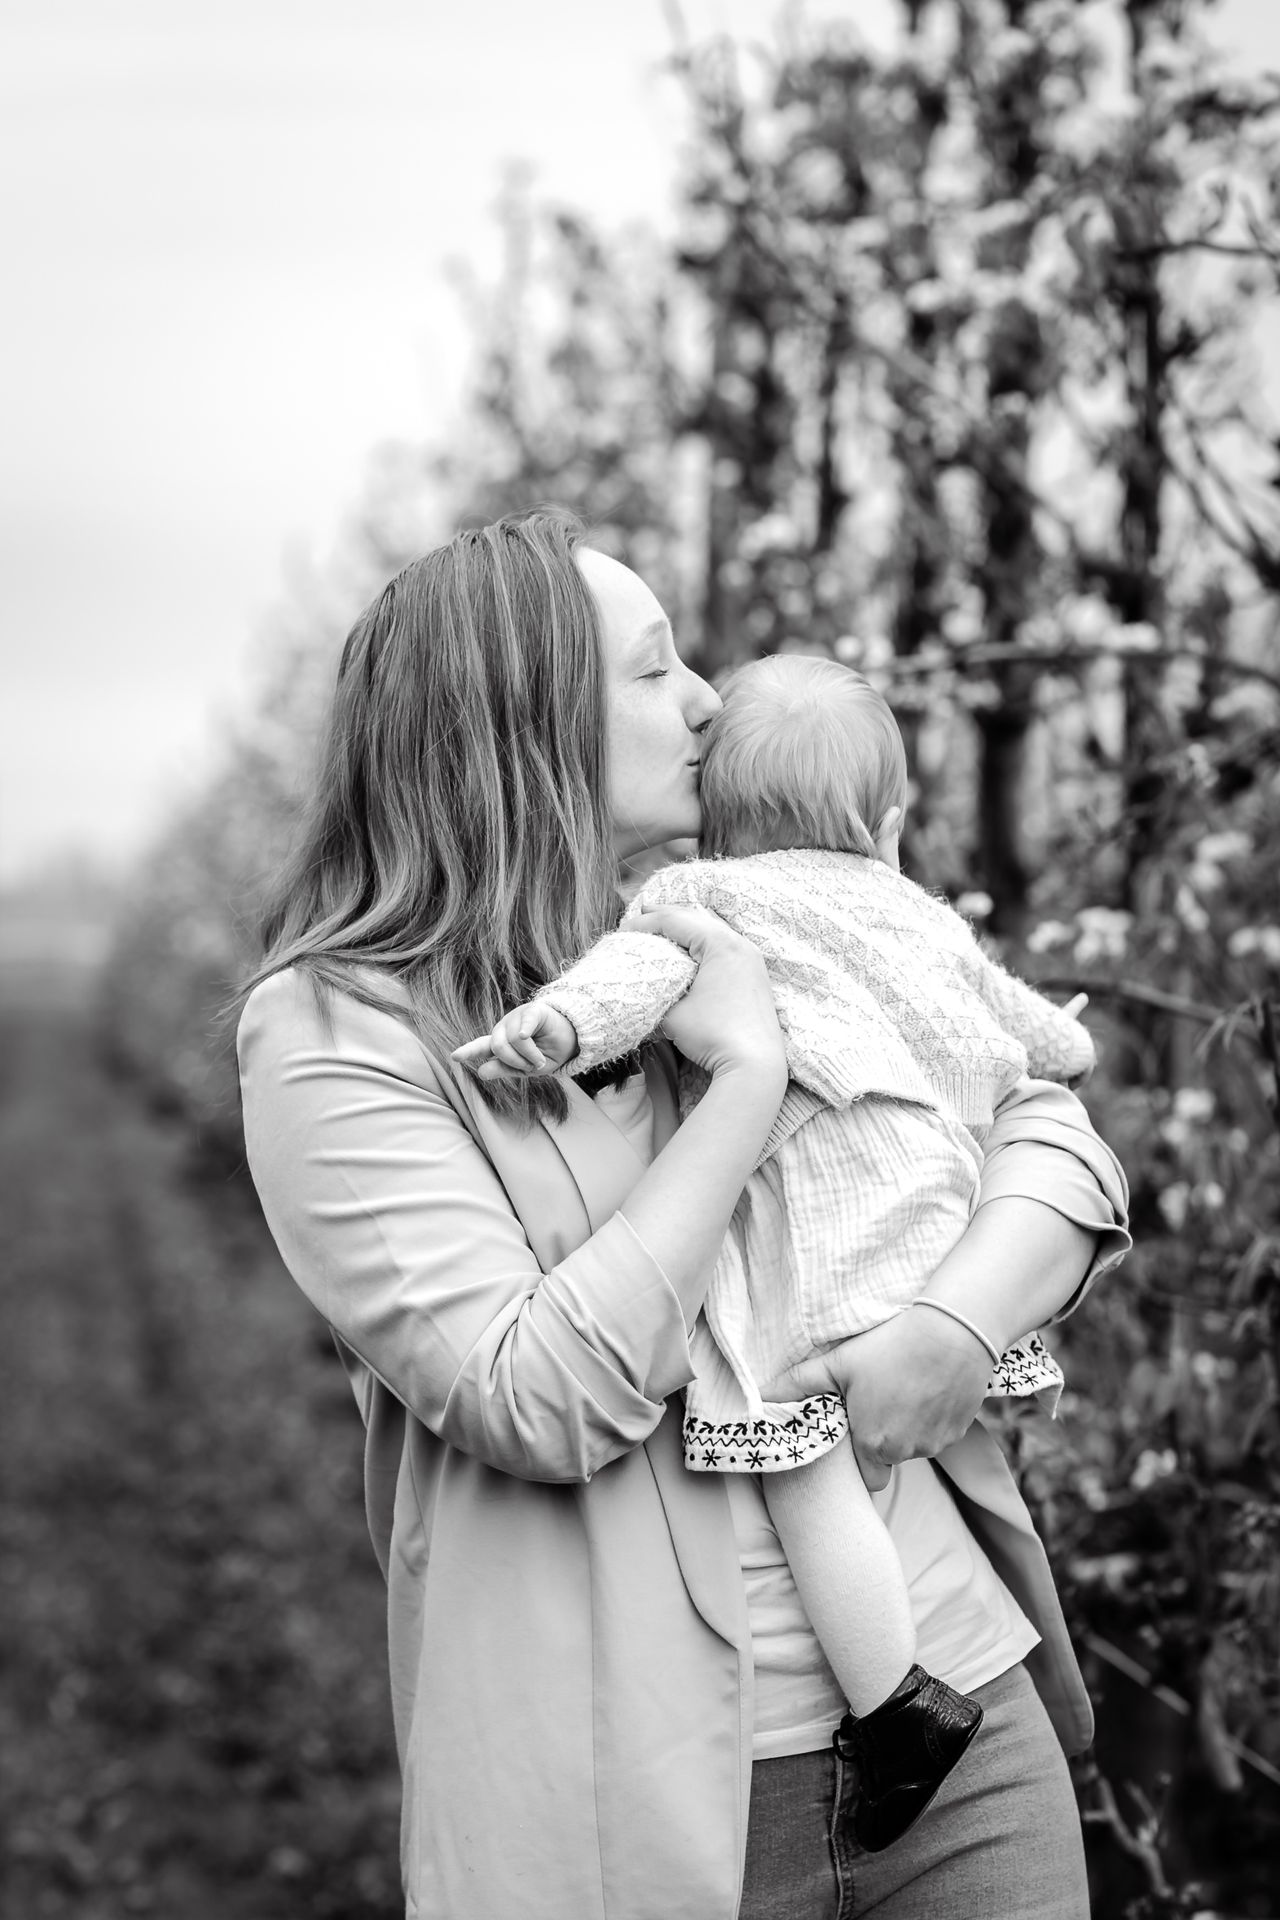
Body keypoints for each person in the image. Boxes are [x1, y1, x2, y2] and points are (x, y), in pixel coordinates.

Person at [236, 509, 1129, 1920]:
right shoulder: (344, 1036)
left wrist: (958, 1324)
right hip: (647, 1801)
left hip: (963, 1721)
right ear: (523, 728)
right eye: (655, 673)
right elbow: (535, 1396)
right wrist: (745, 1087)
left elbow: (1055, 1134)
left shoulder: (744, 915)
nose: (710, 698)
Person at [453, 653, 1096, 1850]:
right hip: (935, 1218)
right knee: (880, 1437)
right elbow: (1020, 1025)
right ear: (890, 827)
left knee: (797, 1460)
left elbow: (633, 982)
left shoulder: (711, 902)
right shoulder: (919, 916)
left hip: (821, 1232)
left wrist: (556, 1025)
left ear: (722, 821)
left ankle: (894, 1705)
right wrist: (1066, 1045)